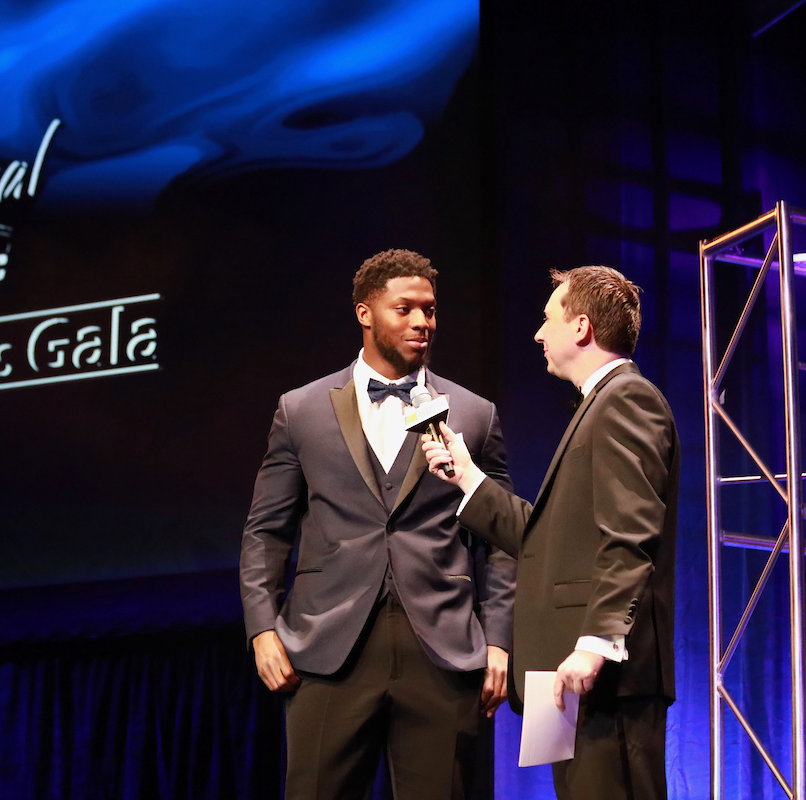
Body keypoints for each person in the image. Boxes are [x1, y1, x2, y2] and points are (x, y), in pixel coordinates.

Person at [239, 249, 516, 800]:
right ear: (365, 314)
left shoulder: (474, 413)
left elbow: (503, 540)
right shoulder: (301, 410)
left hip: (443, 650)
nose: (422, 322)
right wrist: (262, 628)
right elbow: (265, 531)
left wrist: (500, 640)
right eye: (404, 309)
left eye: (429, 310)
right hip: (327, 648)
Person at [422, 265, 679, 800]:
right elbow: (546, 541)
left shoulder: (626, 399)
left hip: (599, 675)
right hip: (568, 673)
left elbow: (632, 535)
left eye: (548, 319)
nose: (539, 333)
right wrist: (467, 477)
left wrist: (596, 642)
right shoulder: (597, 405)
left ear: (581, 327)